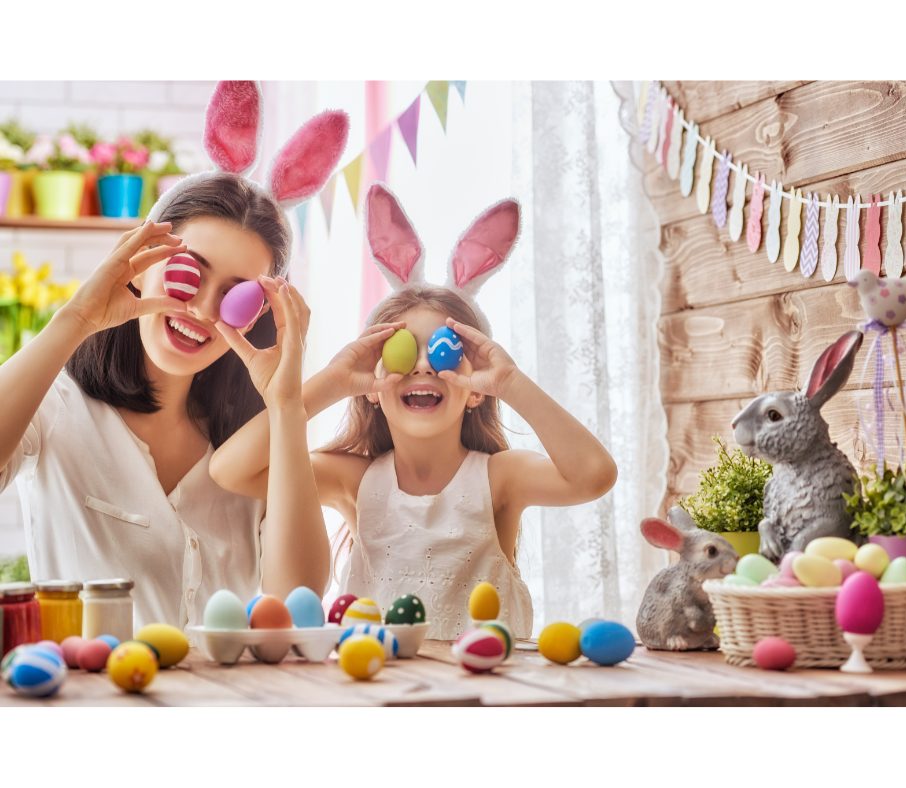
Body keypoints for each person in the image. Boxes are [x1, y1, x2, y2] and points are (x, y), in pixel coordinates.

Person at [0, 81, 348, 629]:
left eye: (236, 296)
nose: (204, 312)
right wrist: (76, 319)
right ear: (142, 261)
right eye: (189, 274)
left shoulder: (250, 440)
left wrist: (286, 408)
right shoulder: (57, 407)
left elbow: (296, 603)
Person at [210, 184, 618, 639]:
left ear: (476, 389)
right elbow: (230, 471)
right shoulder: (353, 481)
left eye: (445, 352)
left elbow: (594, 474)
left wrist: (511, 383)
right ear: (371, 385)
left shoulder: (499, 478)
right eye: (403, 352)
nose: (423, 363)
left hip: (483, 698)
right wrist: (331, 381)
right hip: (380, 693)